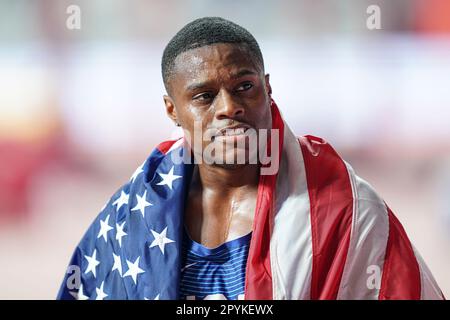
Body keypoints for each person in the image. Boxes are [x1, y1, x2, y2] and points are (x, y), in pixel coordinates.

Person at [57, 17, 444, 300]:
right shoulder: (132, 216)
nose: (230, 108)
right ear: (172, 110)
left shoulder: (343, 207)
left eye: (245, 87)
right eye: (204, 96)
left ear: (268, 88)